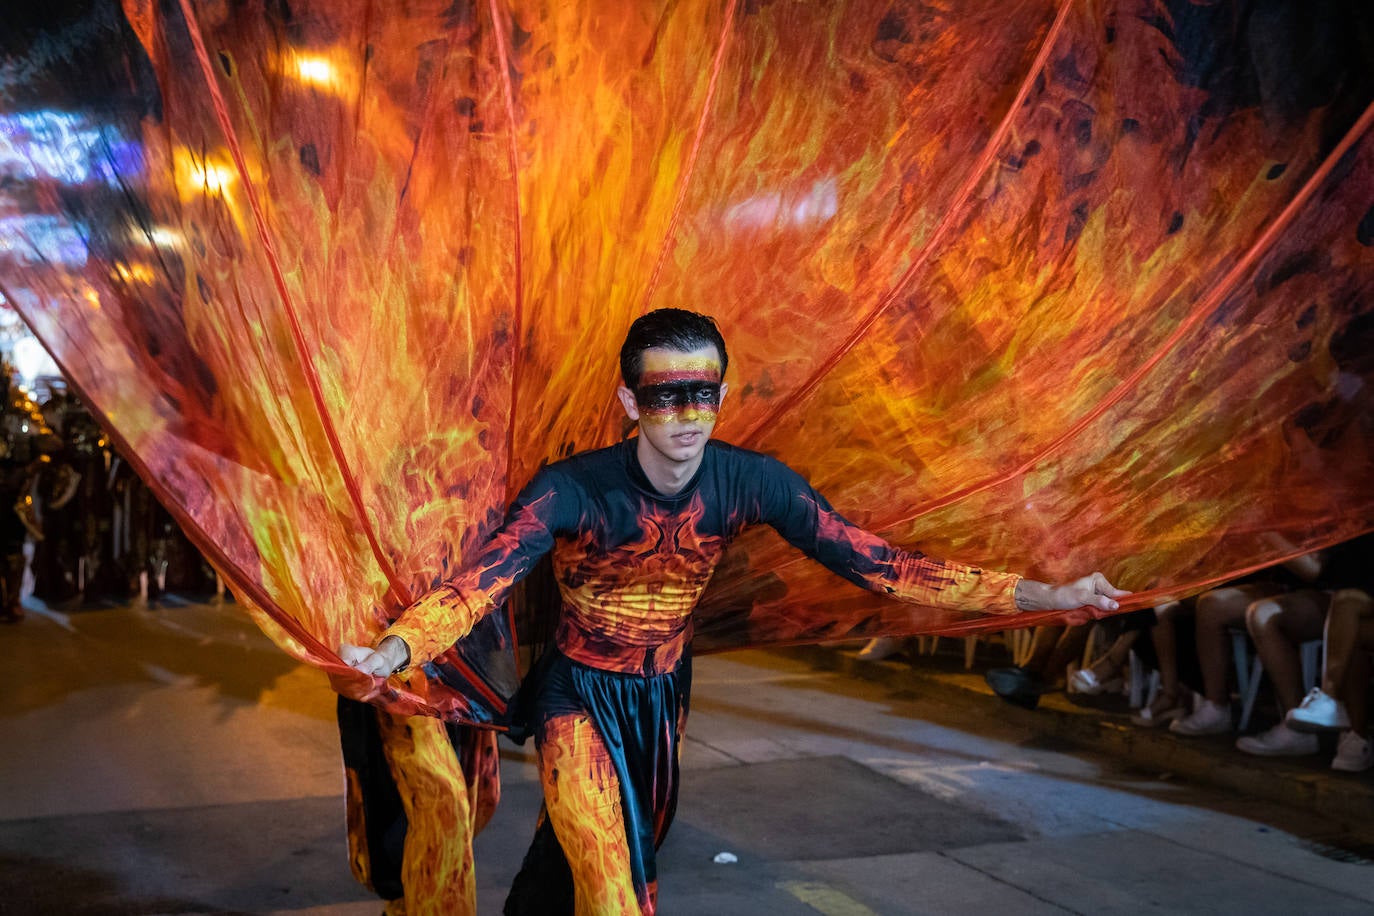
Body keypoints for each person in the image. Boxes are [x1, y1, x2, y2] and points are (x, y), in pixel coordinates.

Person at [341, 308, 1128, 916]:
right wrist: (392, 653)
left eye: (704, 394)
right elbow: (477, 585)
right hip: (576, 696)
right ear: (630, 399)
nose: (687, 415)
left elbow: (884, 566)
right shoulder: (572, 487)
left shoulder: (753, 480)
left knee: (612, 861)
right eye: (665, 396)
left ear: (724, 388)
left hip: (661, 703)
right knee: (616, 892)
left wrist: (1044, 596)